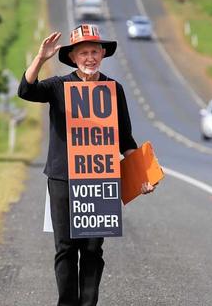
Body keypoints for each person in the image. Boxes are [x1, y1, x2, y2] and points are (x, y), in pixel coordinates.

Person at [18, 24, 155, 306]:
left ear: (103, 54)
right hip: (62, 179)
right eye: (83, 53)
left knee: (93, 249)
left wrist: (142, 175)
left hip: (100, 180)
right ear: (73, 57)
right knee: (65, 248)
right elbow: (26, 90)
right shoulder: (59, 86)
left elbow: (124, 138)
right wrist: (41, 58)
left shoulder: (113, 90)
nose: (89, 58)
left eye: (94, 51)